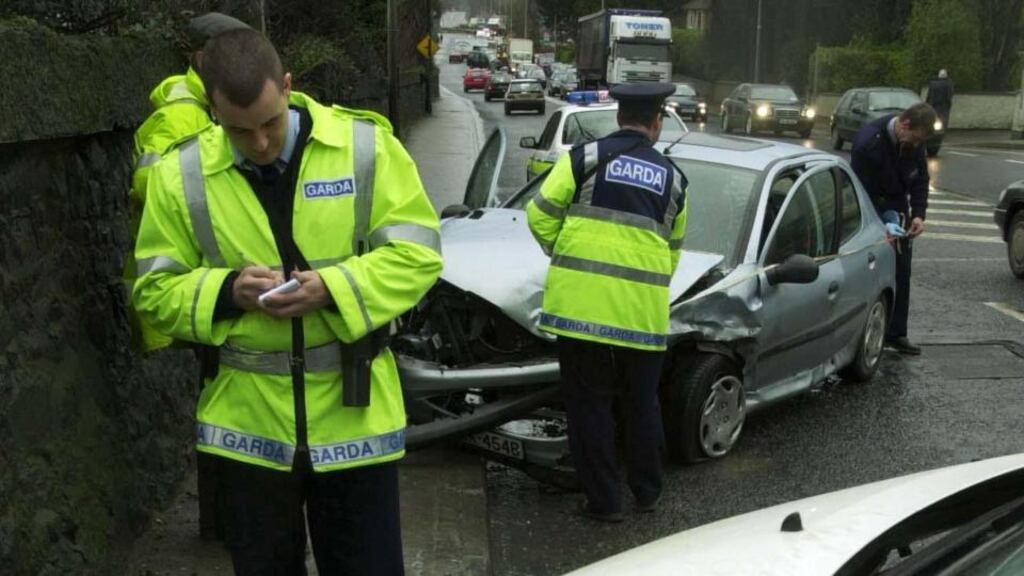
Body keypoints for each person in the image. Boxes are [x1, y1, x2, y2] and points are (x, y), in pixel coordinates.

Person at [132, 28, 442, 574]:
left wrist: (334, 287)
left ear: (289, 86)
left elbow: (418, 257)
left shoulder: (366, 147)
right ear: (212, 108)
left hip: (356, 424)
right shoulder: (180, 175)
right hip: (249, 434)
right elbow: (154, 292)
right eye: (238, 130)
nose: (259, 143)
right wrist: (228, 292)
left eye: (270, 122)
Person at [526, 82, 687, 523]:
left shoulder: (582, 159)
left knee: (590, 407)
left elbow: (538, 213)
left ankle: (605, 503)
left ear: (618, 119)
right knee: (641, 403)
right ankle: (648, 492)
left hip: (582, 310)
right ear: (656, 124)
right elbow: (673, 247)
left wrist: (562, 251)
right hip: (641, 313)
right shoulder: (674, 178)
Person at [126, 12, 252, 543]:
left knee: (220, 393)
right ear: (202, 58)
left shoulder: (204, 104)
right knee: (219, 399)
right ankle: (221, 523)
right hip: (193, 282)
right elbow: (149, 187)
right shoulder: (180, 113)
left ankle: (225, 519)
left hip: (211, 279)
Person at [851, 103, 937, 356]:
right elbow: (860, 191)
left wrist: (919, 215)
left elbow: (920, 179)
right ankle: (857, 336)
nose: (917, 144)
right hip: (870, 211)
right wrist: (881, 220)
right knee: (868, 273)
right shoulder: (869, 143)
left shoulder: (915, 143)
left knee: (901, 272)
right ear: (904, 125)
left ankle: (896, 333)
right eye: (916, 138)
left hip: (898, 211)